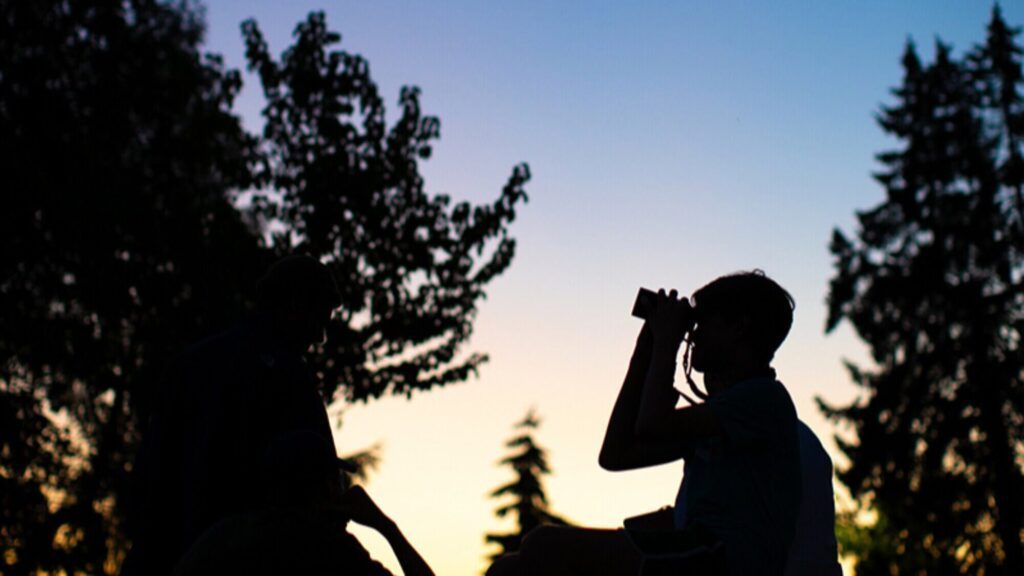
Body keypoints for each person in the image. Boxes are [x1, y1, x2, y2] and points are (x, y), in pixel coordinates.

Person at [488, 271, 816, 576]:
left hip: (717, 561)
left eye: (703, 321)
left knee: (543, 545)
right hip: (697, 554)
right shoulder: (722, 415)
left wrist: (667, 343)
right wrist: (645, 351)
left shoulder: (764, 399)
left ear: (739, 327)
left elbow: (652, 424)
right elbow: (616, 454)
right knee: (508, 570)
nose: (695, 334)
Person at [122, 255, 347, 575]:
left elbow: (148, 475)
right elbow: (320, 491)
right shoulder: (290, 376)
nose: (320, 337)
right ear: (295, 304)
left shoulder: (190, 363)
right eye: (319, 321)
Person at [172, 430, 434, 576]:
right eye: (336, 482)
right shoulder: (328, 549)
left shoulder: (222, 537)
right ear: (320, 490)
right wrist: (386, 527)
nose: (342, 491)